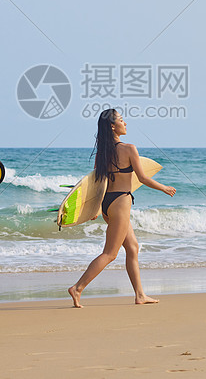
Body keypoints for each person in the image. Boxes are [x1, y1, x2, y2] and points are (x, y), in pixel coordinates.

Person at [68, 109, 176, 308]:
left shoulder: (102, 153)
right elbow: (142, 178)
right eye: (121, 120)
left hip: (108, 203)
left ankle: (140, 295)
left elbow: (99, 183)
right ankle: (78, 287)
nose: (125, 123)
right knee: (110, 253)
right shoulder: (129, 149)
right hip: (121, 202)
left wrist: (98, 209)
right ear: (112, 126)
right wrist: (164, 188)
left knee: (133, 247)